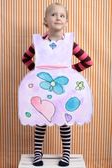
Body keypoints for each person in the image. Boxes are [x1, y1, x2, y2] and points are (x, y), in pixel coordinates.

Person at [18, 3, 93, 167]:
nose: (58, 17)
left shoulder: (70, 43)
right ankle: (38, 153)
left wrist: (70, 71)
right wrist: (36, 74)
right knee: (40, 119)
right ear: (45, 20)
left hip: (63, 88)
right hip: (42, 87)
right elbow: (26, 58)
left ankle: (66, 154)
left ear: (66, 21)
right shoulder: (38, 42)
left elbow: (87, 61)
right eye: (53, 14)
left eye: (62, 15)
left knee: (63, 120)